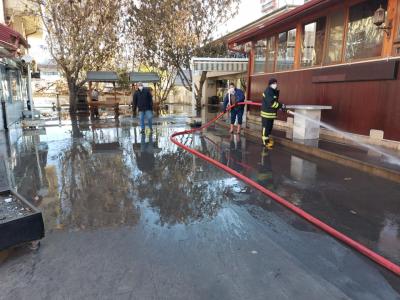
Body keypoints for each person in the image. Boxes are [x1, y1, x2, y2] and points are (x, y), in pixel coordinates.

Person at [261, 78, 286, 148]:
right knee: (265, 128)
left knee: (269, 128)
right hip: (266, 113)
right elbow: (271, 103)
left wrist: (281, 106)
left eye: (276, 83)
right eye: (274, 83)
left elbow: (275, 102)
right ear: (270, 84)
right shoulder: (268, 91)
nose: (275, 84)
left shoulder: (273, 91)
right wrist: (281, 106)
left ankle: (267, 140)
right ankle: (265, 142)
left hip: (271, 114)